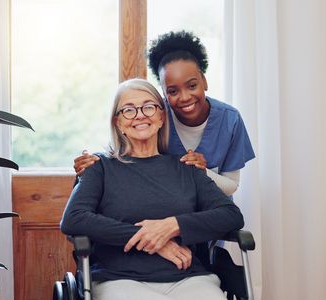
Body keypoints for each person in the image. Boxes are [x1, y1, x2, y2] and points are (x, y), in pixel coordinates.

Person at [60, 78, 244, 300]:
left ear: (161, 116)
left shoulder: (187, 167)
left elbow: (231, 216)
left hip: (188, 278)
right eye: (128, 110)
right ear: (117, 122)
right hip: (120, 279)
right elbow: (74, 219)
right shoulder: (99, 167)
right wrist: (152, 240)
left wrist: (172, 226)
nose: (140, 115)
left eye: (148, 107)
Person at [73, 30, 255, 197]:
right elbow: (125, 151)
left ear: (204, 81)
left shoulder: (230, 120)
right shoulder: (155, 117)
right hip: (168, 207)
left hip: (212, 210)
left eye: (192, 86)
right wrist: (93, 163)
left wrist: (201, 171)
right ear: (163, 93)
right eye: (173, 91)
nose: (184, 97)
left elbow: (231, 185)